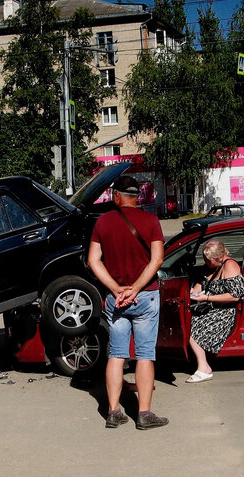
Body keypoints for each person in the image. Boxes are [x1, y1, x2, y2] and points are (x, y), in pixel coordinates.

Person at [87, 175, 168, 430]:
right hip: (145, 296)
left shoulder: (103, 222)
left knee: (117, 354)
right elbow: (157, 260)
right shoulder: (152, 221)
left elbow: (93, 260)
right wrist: (136, 288)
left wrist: (116, 289)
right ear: (137, 196)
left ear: (116, 196)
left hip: (116, 298)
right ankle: (144, 414)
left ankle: (113, 411)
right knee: (145, 355)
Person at [186, 239, 244, 383]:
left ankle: (204, 368)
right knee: (186, 322)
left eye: (209, 259)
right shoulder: (211, 267)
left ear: (219, 257)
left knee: (191, 329)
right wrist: (193, 293)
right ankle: (203, 366)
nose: (206, 261)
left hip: (224, 312)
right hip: (212, 308)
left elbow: (235, 296)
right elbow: (200, 285)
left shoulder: (230, 266)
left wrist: (207, 298)